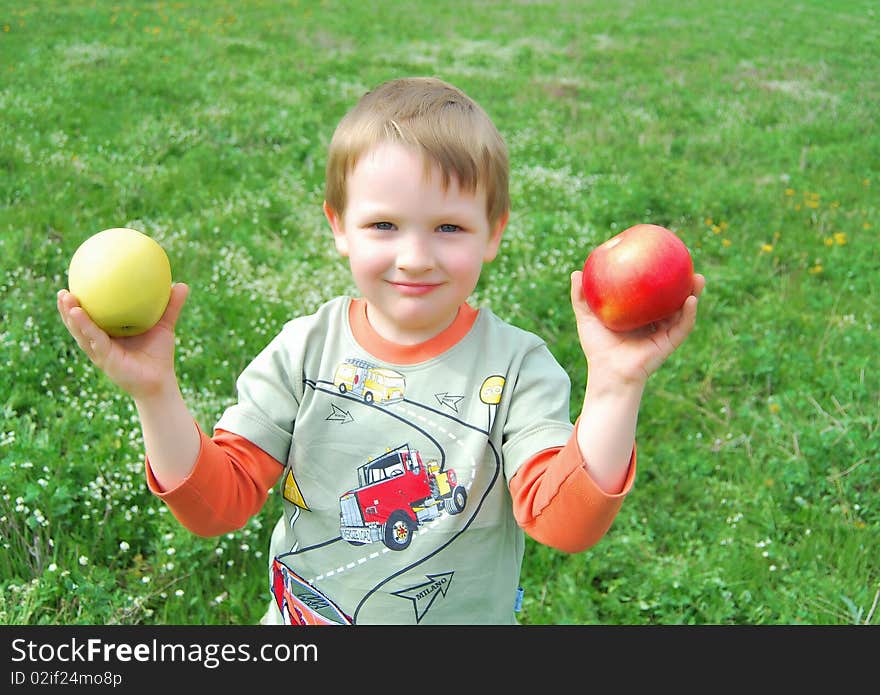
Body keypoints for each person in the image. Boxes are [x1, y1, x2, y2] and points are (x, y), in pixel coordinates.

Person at [57, 76, 705, 625]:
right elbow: (215, 504)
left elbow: (565, 523)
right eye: (384, 225)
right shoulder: (304, 350)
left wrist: (616, 387)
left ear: (493, 232)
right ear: (339, 226)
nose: (415, 257)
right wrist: (155, 392)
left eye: (449, 227)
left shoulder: (517, 366)